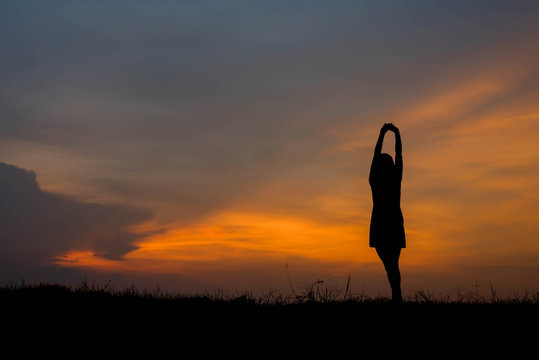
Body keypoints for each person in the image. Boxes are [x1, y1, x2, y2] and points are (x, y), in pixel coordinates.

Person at [369, 123, 405, 303]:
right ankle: (397, 297)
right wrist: (396, 135)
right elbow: (399, 155)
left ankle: (397, 298)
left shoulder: (375, 180)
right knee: (393, 265)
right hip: (393, 224)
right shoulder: (395, 179)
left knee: (390, 265)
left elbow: (376, 156)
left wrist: (382, 134)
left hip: (381, 224)